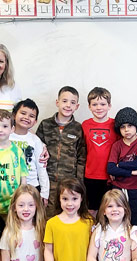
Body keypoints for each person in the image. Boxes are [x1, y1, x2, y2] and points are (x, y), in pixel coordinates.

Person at [43, 178, 93, 261]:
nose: (69, 204)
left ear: (82, 198)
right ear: (59, 199)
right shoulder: (52, 223)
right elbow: (48, 250)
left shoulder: (88, 222)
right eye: (65, 199)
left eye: (74, 199)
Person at [36, 86, 85, 217]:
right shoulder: (45, 125)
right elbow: (37, 152)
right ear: (57, 102)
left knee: (66, 215)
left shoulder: (78, 128)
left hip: (69, 183)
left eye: (72, 102)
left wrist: (78, 183)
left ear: (77, 106)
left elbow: (81, 158)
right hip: (47, 181)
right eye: (64, 101)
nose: (68, 105)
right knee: (47, 216)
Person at [87, 189, 137, 261]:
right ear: (104, 211)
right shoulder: (98, 231)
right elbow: (91, 257)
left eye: (119, 205)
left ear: (125, 209)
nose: (114, 209)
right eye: (110, 206)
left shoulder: (132, 232)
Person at [107, 107, 137, 227]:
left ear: (136, 126)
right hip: (118, 188)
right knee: (117, 217)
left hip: (136, 188)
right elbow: (110, 169)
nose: (126, 130)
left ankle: (136, 244)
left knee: (136, 218)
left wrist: (120, 165)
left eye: (130, 125)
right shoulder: (117, 145)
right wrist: (133, 172)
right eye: (122, 127)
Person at [82, 87, 119, 217]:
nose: (99, 107)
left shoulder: (116, 125)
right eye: (95, 104)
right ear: (89, 106)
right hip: (91, 175)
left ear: (109, 106)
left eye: (103, 104)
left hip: (110, 176)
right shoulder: (85, 125)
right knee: (92, 209)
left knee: (110, 209)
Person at [10, 98, 50, 206]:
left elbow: (41, 167)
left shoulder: (35, 140)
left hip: (32, 186)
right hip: (9, 185)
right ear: (14, 115)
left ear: (35, 121)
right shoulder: (5, 136)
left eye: (31, 116)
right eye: (23, 113)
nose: (27, 117)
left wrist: (45, 193)